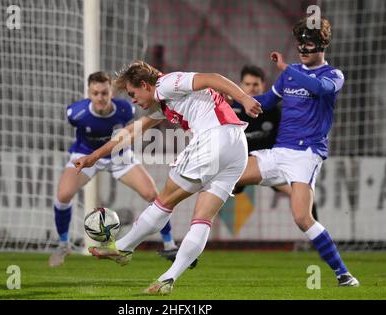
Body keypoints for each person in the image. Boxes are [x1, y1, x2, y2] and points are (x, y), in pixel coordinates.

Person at [74, 60, 261, 294]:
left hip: (215, 140)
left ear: (144, 84)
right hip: (236, 149)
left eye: (133, 93)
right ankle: (168, 278)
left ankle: (122, 247)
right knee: (203, 219)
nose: (133, 100)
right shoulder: (163, 102)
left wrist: (242, 97)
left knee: (164, 201)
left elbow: (212, 76)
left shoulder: (166, 83)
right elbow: (131, 132)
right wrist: (95, 155)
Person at [233, 17, 358, 286]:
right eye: (300, 45)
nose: (303, 50)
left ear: (322, 45)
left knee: (302, 218)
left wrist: (287, 68)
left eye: (309, 45)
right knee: (228, 174)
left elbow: (320, 89)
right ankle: (178, 248)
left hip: (306, 154)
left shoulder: (333, 75)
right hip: (279, 152)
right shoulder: (289, 75)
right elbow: (266, 101)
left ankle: (343, 274)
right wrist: (231, 99)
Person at [49, 71, 178, 267]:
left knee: (152, 194)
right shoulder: (75, 113)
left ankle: (169, 244)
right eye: (95, 93)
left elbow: (128, 134)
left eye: (104, 93)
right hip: (84, 156)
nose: (100, 98)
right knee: (63, 195)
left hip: (118, 156)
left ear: (111, 92)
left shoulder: (125, 109)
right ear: (89, 93)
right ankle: (63, 244)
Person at [231, 65, 319, 221]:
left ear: (263, 85)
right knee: (214, 190)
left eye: (255, 84)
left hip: (269, 164)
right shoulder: (230, 109)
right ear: (240, 85)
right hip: (241, 164)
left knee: (303, 193)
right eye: (247, 84)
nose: (251, 89)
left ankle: (314, 236)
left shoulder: (274, 111)